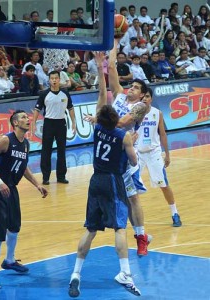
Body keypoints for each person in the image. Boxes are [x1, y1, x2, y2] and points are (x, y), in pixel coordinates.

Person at [84, 47, 151, 257]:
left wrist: (99, 119)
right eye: (131, 86)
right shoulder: (120, 96)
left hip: (125, 156)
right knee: (113, 194)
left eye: (136, 87)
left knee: (133, 198)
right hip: (110, 153)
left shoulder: (141, 107)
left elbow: (121, 123)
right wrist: (112, 43)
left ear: (142, 94)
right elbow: (111, 68)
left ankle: (141, 237)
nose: (131, 89)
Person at [68, 105, 140, 298]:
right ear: (116, 118)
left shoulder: (98, 129)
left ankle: (75, 273)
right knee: (120, 228)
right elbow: (134, 162)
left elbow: (98, 120)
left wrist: (94, 119)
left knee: (91, 229)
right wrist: (132, 144)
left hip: (95, 180)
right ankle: (125, 272)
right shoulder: (123, 135)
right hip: (112, 182)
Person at [0, 110, 48, 289]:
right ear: (15, 123)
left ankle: (9, 260)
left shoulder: (25, 143)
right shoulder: (5, 140)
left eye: (28, 117)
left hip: (10, 189)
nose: (28, 119)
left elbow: (23, 167)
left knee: (14, 227)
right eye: (24, 118)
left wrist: (37, 184)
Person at [137, 88, 182, 227]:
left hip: (153, 152)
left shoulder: (158, 113)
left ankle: (175, 213)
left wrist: (167, 154)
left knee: (163, 184)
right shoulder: (133, 113)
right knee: (130, 186)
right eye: (143, 97)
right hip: (137, 153)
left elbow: (162, 134)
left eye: (148, 96)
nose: (145, 99)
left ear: (151, 99)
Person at [32, 71, 76, 185]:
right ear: (49, 80)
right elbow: (37, 110)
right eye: (52, 78)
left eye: (56, 78)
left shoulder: (65, 93)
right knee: (46, 151)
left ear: (59, 79)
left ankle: (61, 176)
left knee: (62, 151)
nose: (54, 80)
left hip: (61, 124)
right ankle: (45, 177)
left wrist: (74, 123)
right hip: (48, 124)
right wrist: (33, 124)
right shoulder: (44, 94)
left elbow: (70, 109)